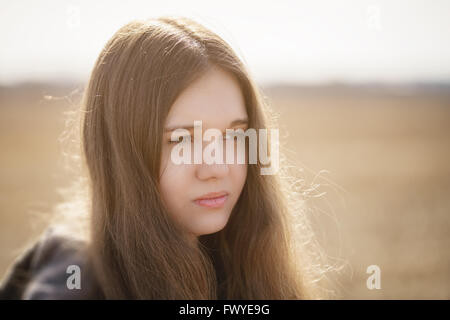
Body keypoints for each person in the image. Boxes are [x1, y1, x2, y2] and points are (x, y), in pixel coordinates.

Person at [0, 15, 331, 299]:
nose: (217, 167)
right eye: (182, 140)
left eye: (233, 135)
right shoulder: (71, 283)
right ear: (122, 153)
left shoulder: (243, 260)